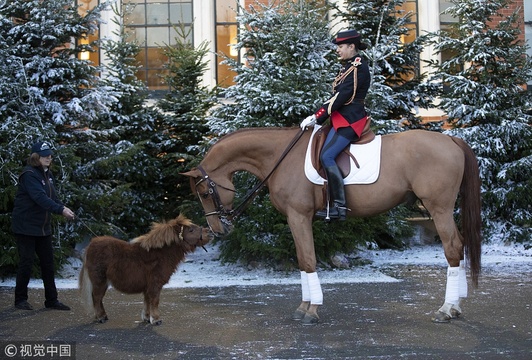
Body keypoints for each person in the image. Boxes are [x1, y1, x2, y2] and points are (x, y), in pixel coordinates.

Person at [300, 29, 371, 221]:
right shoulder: (348, 67)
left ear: (351, 46)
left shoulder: (358, 67)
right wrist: (318, 116)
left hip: (351, 120)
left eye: (340, 46)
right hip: (340, 120)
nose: (337, 50)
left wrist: (317, 116)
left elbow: (340, 97)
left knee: (327, 155)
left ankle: (339, 206)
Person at [12, 141, 75, 311]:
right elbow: (39, 198)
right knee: (26, 262)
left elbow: (52, 198)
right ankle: (20, 300)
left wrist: (64, 207)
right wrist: (60, 210)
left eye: (50, 154)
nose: (49, 157)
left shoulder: (47, 174)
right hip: (26, 226)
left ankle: (52, 300)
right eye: (45, 154)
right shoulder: (29, 175)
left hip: (42, 228)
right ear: (36, 157)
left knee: (48, 263)